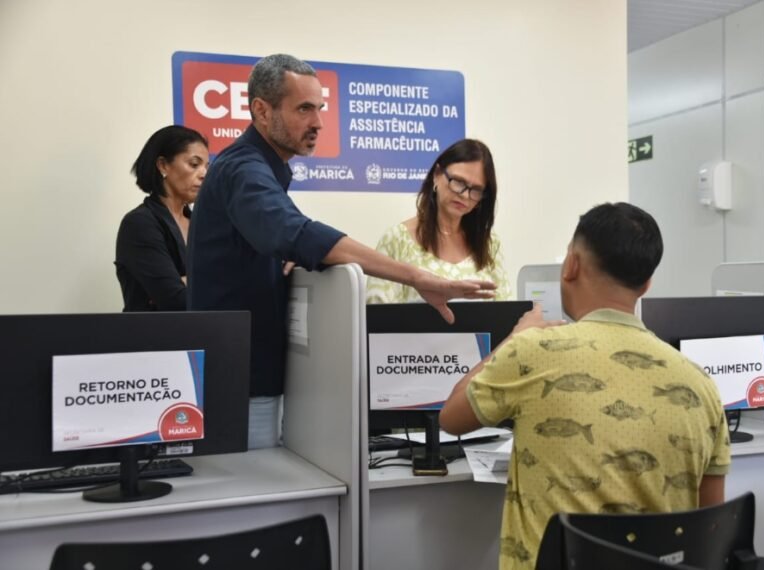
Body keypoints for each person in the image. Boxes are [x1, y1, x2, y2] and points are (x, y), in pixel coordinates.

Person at [187, 54, 495, 450]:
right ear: (261, 111)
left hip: (256, 377)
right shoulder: (244, 170)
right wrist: (418, 276)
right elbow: (297, 232)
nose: (317, 123)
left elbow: (283, 237)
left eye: (320, 109)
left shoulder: (263, 171)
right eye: (303, 109)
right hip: (240, 384)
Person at [440, 202, 731, 570]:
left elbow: (450, 418)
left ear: (571, 265)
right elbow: (709, 527)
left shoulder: (533, 351)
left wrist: (512, 340)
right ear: (646, 284)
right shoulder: (701, 384)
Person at [366, 139, 511, 303]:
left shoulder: (489, 244)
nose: (464, 195)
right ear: (437, 175)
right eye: (458, 182)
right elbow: (377, 315)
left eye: (476, 190)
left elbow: (504, 311)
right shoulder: (398, 239)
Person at [115, 126, 209, 311]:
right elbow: (175, 299)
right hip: (155, 338)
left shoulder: (203, 225)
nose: (204, 174)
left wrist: (189, 281)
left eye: (207, 166)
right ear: (163, 165)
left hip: (201, 336)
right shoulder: (139, 224)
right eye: (194, 164)